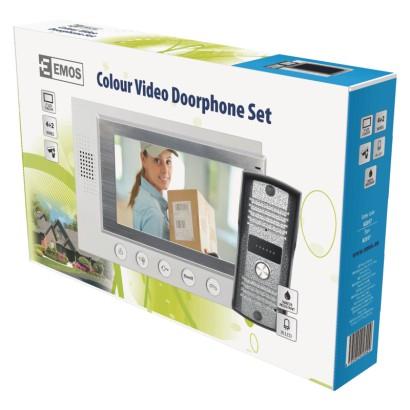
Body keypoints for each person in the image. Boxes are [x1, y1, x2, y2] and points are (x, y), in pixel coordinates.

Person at [128, 143, 178, 240]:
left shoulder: (143, 193)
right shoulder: (154, 214)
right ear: (143, 159)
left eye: (168, 161)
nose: (165, 171)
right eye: (157, 160)